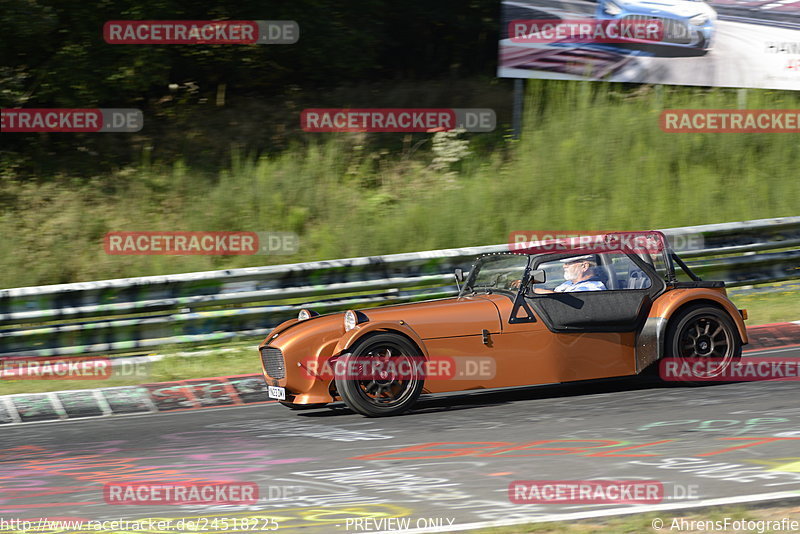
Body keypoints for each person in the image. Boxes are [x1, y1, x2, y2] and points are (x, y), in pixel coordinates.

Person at [534, 256, 607, 294]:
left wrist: (535, 291)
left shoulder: (593, 287)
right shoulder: (570, 283)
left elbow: (571, 302)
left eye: (569, 263)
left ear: (584, 266)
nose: (564, 266)